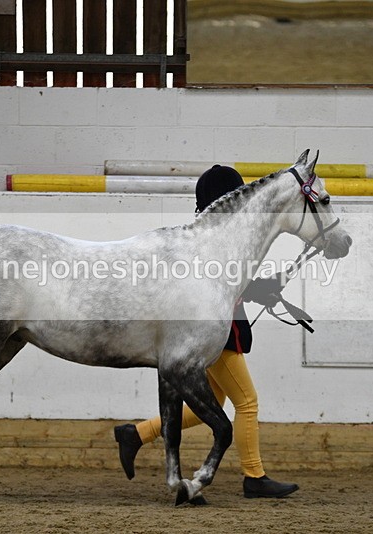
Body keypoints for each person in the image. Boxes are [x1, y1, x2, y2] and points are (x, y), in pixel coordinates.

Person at [114, 165, 299, 500]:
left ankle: (135, 434)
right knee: (247, 402)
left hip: (221, 328)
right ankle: (254, 476)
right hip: (216, 333)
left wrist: (264, 289)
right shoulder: (215, 239)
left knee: (213, 403)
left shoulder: (207, 236)